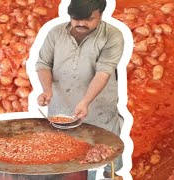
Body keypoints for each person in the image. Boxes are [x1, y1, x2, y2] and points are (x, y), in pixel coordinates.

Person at [35, 0, 124, 179]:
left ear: (101, 15)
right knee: (71, 153)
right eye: (76, 19)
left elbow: (103, 73)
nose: (81, 24)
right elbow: (43, 64)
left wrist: (85, 101)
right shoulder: (56, 33)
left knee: (108, 144)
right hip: (61, 106)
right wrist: (47, 90)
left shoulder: (112, 35)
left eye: (89, 19)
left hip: (98, 105)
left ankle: (111, 173)